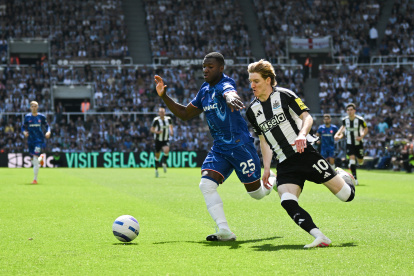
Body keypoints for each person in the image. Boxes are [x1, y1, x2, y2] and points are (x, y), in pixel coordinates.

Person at [154, 52, 274, 242]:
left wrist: (230, 97)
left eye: (210, 66)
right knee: (206, 185)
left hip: (239, 146)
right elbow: (185, 113)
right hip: (219, 148)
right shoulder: (204, 90)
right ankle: (224, 230)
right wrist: (164, 96)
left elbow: (229, 90)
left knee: (257, 194)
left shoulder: (225, 84)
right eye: (204, 66)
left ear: (221, 68)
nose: (205, 70)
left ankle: (272, 181)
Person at [245, 59, 355, 248]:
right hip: (285, 162)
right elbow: (264, 140)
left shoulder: (285, 96)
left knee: (347, 196)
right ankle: (319, 236)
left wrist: (302, 135)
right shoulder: (252, 111)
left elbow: (307, 117)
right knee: (287, 200)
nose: (252, 85)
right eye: (250, 81)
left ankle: (343, 175)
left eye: (256, 81)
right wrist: (266, 168)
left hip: (305, 154)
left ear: (269, 80)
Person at [334, 103, 368, 185]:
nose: (350, 111)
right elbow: (343, 130)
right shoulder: (345, 120)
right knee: (352, 158)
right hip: (349, 143)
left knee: (360, 161)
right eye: (348, 110)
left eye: (351, 110)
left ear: (354, 111)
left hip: (358, 143)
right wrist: (338, 135)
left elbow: (366, 129)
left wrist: (361, 136)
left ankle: (356, 162)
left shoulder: (360, 120)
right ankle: (355, 179)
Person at [21, 101, 51, 184]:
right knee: (33, 160)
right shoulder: (27, 117)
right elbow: (23, 127)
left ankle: (35, 179)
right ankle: (41, 158)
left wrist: (48, 132)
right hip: (30, 141)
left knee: (34, 158)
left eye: (35, 106)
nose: (34, 108)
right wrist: (24, 132)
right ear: (30, 107)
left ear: (37, 107)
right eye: (32, 106)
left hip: (39, 140)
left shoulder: (41, 117)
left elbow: (47, 126)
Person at [150, 107, 174, 177]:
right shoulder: (156, 120)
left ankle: (164, 162)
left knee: (166, 150)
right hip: (158, 140)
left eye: (163, 112)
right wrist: (157, 132)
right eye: (160, 112)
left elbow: (171, 126)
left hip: (165, 139)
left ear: (165, 113)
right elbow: (152, 129)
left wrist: (171, 131)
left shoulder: (168, 119)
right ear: (158, 113)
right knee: (157, 156)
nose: (162, 113)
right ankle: (156, 169)